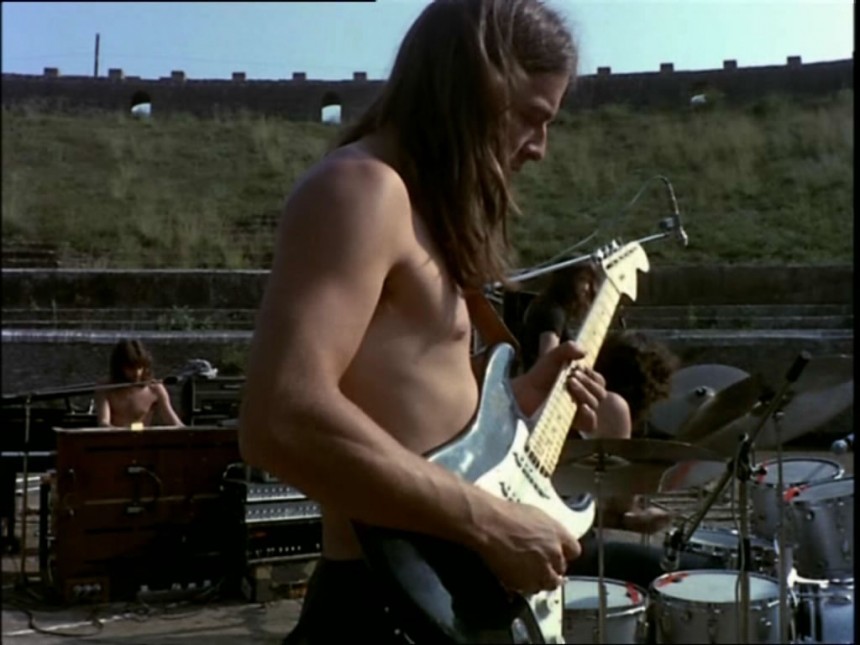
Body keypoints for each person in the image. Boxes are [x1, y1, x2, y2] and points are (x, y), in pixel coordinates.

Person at [238, 1, 608, 642]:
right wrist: (491, 522)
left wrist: (526, 400)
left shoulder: (417, 212)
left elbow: (412, 419)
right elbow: (280, 418)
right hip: (383, 608)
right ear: (474, 86)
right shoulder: (362, 189)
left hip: (444, 594)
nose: (539, 149)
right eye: (531, 117)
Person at [519, 261, 599, 373]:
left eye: (588, 282)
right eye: (581, 280)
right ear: (567, 280)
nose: (586, 287)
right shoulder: (552, 312)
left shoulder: (551, 306)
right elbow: (547, 361)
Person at [95, 338, 184, 428]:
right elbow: (103, 423)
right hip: (115, 436)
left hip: (142, 436)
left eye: (140, 367)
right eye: (131, 368)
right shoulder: (105, 388)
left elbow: (174, 422)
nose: (137, 373)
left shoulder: (155, 389)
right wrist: (122, 431)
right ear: (120, 367)